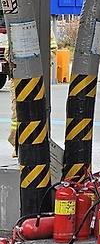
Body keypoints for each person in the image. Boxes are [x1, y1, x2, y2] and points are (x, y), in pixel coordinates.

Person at [8, 29, 58, 157]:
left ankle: (32, 143)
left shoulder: (43, 28)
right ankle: (17, 144)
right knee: (17, 111)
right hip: (18, 76)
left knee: (35, 110)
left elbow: (52, 50)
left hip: (36, 76)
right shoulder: (17, 26)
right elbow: (9, 52)